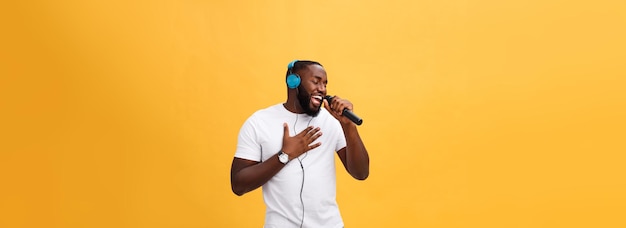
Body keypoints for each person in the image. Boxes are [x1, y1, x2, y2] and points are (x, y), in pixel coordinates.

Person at [230, 60, 370, 228]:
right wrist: (284, 155)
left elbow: (361, 173)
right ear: (293, 82)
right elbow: (238, 184)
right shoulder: (259, 122)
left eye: (325, 84)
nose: (322, 89)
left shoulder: (332, 121)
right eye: (316, 81)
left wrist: (349, 127)